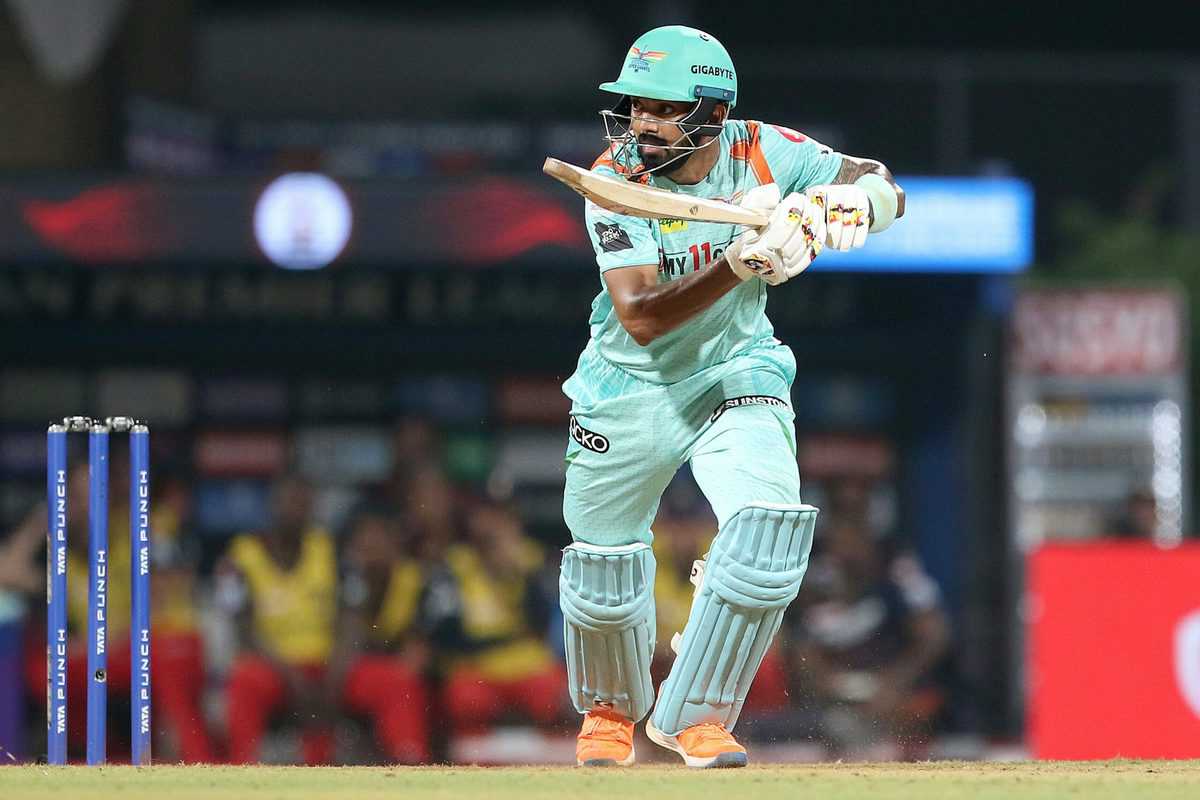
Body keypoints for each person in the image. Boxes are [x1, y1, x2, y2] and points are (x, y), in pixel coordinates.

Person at [556, 25, 905, 768]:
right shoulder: (615, 182)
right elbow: (641, 315)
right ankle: (610, 711)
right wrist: (741, 264)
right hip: (629, 386)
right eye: (636, 107)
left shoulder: (762, 149)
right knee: (602, 564)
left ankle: (699, 717)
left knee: (768, 538)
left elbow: (882, 183)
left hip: (735, 368)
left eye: (663, 109)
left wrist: (846, 207)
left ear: (714, 113)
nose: (643, 125)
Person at [791, 518, 950, 759]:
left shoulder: (897, 578)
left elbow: (935, 634)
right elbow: (800, 647)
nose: (847, 551)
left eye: (855, 540)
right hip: (836, 702)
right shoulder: (811, 582)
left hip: (896, 691)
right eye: (839, 543)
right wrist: (822, 682)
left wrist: (896, 681)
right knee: (836, 725)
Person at [218, 473, 338, 764]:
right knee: (244, 679)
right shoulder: (241, 554)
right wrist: (288, 673)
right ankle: (242, 767)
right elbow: (242, 629)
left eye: (303, 504)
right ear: (272, 505)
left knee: (344, 682)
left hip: (321, 663)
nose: (296, 511)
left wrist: (336, 670)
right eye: (289, 502)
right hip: (270, 664)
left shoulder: (327, 548)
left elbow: (349, 617)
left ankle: (321, 773)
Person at [326, 502, 431, 764]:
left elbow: (417, 651)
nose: (372, 547)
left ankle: (408, 758)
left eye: (379, 538)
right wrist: (359, 591)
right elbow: (343, 656)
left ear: (395, 543)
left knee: (400, 681)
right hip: (349, 670)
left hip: (400, 677)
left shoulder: (414, 580)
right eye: (364, 540)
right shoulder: (346, 583)